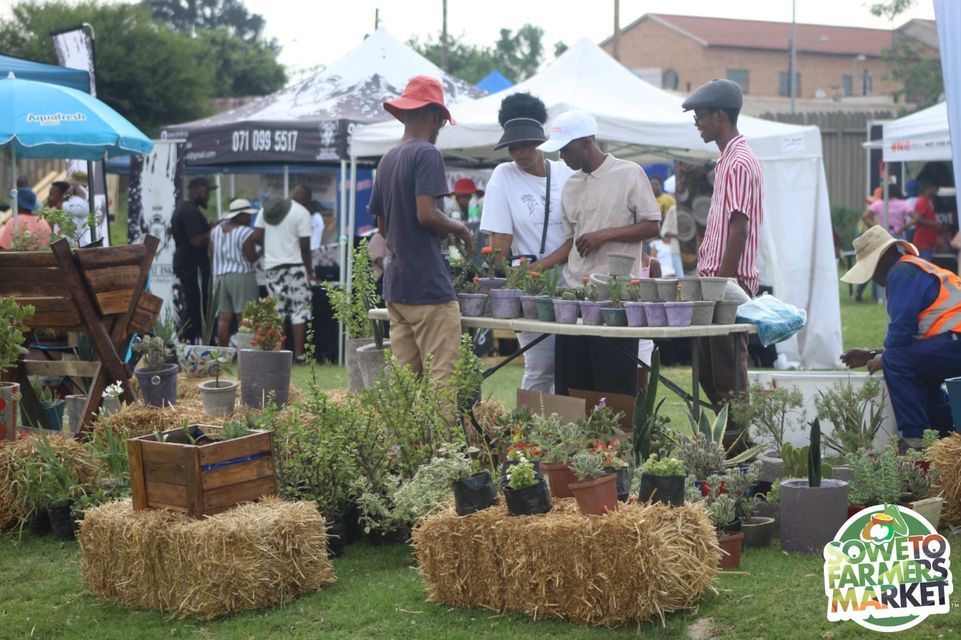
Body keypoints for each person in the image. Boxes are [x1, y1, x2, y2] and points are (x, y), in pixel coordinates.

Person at [537, 110, 662, 396]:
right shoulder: (570, 185)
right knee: (571, 386)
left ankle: (616, 442)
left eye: (566, 150)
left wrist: (605, 234)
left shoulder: (629, 173)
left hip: (615, 298)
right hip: (574, 296)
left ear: (586, 142)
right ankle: (575, 441)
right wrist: (536, 268)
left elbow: (652, 225)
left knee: (614, 387)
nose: (562, 158)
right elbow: (572, 241)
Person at [368, 75, 472, 382]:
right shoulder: (427, 153)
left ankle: (406, 433)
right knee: (443, 375)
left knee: (405, 381)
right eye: (441, 120)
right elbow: (427, 214)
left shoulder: (387, 159)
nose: (440, 126)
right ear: (433, 115)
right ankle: (438, 434)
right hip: (427, 285)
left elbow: (382, 226)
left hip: (397, 286)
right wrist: (460, 229)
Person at [683, 79, 763, 447]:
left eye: (700, 116)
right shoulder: (727, 159)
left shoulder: (740, 161)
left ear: (720, 116)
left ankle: (739, 451)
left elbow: (739, 230)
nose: (697, 122)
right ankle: (727, 445)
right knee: (711, 374)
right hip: (715, 282)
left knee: (728, 377)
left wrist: (724, 286)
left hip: (727, 285)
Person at [480, 92, 574, 392]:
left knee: (572, 366)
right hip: (529, 288)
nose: (519, 152)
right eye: (513, 146)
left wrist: (539, 267)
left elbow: (578, 236)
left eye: (527, 144)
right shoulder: (503, 176)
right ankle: (529, 434)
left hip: (572, 283)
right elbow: (500, 240)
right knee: (540, 365)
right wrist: (498, 281)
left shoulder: (566, 173)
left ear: (541, 141)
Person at [840, 226, 961, 451]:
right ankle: (948, 437)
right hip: (952, 342)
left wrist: (886, 358)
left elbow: (902, 331)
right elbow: (914, 345)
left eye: (872, 268)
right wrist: (872, 354)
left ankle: (915, 439)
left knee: (897, 361)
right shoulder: (913, 269)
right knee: (920, 374)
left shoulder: (901, 273)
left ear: (885, 256)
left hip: (954, 341)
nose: (873, 278)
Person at [247, 185, 315, 364]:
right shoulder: (302, 213)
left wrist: (269, 246)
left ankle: (280, 353)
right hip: (295, 267)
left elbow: (255, 236)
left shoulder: (267, 209)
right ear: (306, 199)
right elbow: (305, 247)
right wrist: (310, 272)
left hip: (272, 268)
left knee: (278, 312)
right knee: (299, 311)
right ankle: (299, 356)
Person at [209, 198, 259, 349]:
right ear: (239, 215)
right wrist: (261, 252)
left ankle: (223, 354)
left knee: (224, 318)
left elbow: (210, 253)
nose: (250, 217)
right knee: (245, 317)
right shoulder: (246, 232)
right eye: (247, 215)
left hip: (219, 277)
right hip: (241, 275)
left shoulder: (215, 231)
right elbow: (250, 257)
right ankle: (245, 353)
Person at [171, 176, 216, 343]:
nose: (208, 196)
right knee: (195, 306)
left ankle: (195, 342)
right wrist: (212, 232)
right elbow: (197, 240)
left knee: (196, 305)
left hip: (189, 264)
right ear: (196, 189)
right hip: (192, 266)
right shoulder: (189, 211)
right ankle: (188, 342)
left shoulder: (185, 208)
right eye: (206, 192)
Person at [907, 181, 939, 261]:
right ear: (927, 190)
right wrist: (934, 224)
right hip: (923, 242)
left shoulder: (927, 202)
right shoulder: (922, 201)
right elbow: (918, 219)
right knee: (924, 267)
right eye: (933, 189)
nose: (935, 191)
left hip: (927, 242)